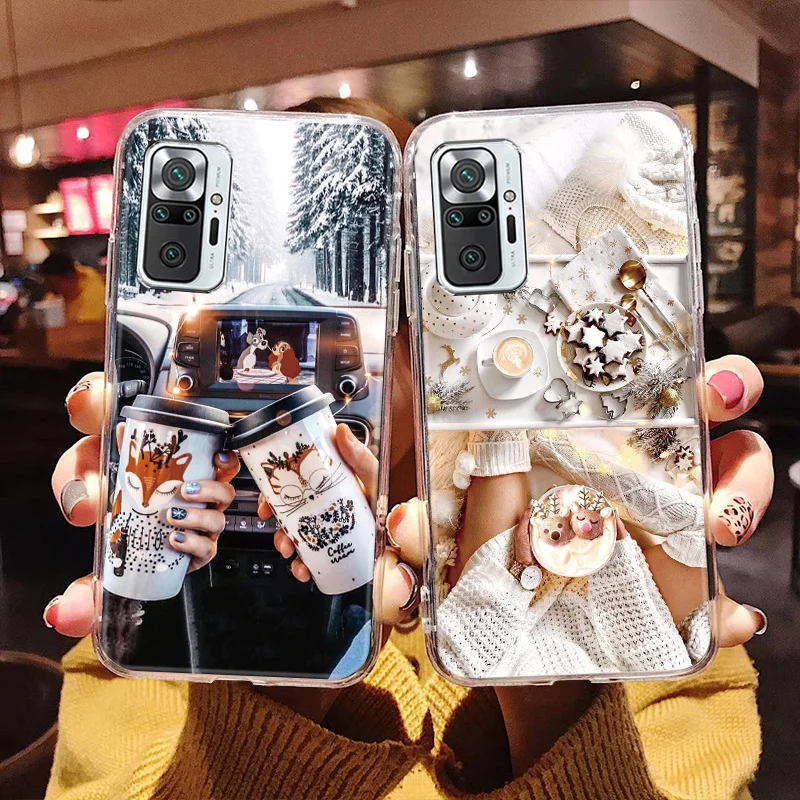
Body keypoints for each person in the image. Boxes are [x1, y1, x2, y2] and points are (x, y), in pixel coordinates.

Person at [44, 101, 768, 798]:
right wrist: (273, 652)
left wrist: (552, 664)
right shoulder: (141, 622)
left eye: (392, 301)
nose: (298, 362)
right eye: (256, 315)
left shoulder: (659, 594)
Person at [38, 251, 106, 324]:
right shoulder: (58, 292)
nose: (51, 291)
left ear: (70, 277)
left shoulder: (94, 295)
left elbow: (86, 328)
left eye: (55, 286)